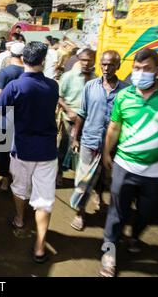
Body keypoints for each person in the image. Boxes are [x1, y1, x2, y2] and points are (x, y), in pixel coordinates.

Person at [0, 41, 59, 263]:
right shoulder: (53, 86)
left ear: (22, 60)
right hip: (47, 151)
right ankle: (39, 246)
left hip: (22, 150)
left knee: (20, 188)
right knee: (44, 200)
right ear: (43, 61)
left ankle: (19, 219)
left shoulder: (15, 87)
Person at [99, 49, 158, 277]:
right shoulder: (124, 96)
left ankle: (135, 235)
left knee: (147, 212)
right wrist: (107, 153)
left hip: (157, 172)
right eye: (137, 68)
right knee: (116, 214)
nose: (140, 73)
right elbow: (114, 128)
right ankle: (109, 252)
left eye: (146, 69)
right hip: (125, 166)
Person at [69, 50, 128, 231]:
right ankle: (80, 212)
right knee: (84, 179)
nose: (106, 68)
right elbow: (82, 113)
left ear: (118, 66)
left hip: (112, 144)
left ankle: (99, 197)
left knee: (104, 176)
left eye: (110, 64)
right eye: (103, 64)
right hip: (90, 140)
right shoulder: (91, 86)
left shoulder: (126, 90)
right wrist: (75, 136)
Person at [57, 48, 96, 185]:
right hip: (70, 118)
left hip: (88, 119)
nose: (86, 63)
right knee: (65, 145)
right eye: (83, 60)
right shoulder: (69, 76)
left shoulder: (96, 78)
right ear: (79, 60)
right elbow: (59, 96)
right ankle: (59, 173)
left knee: (85, 149)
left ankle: (81, 177)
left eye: (89, 60)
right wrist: (69, 111)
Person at [0, 42, 25, 191]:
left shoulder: (6, 72)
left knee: (3, 148)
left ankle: (5, 180)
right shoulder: (28, 72)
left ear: (11, 54)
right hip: (23, 115)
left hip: (5, 114)